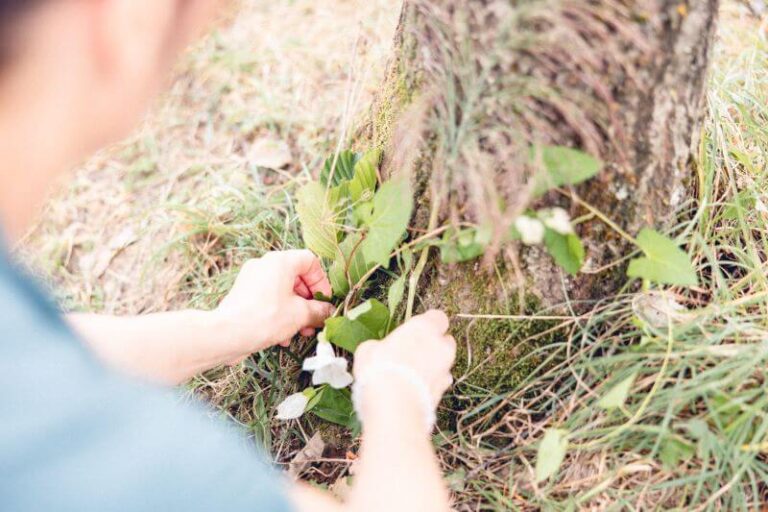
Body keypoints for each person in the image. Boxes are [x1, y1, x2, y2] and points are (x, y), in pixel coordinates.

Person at [0, 1, 457, 511]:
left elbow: (35, 353)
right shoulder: (123, 468)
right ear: (128, 21)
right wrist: (398, 401)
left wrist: (224, 329)